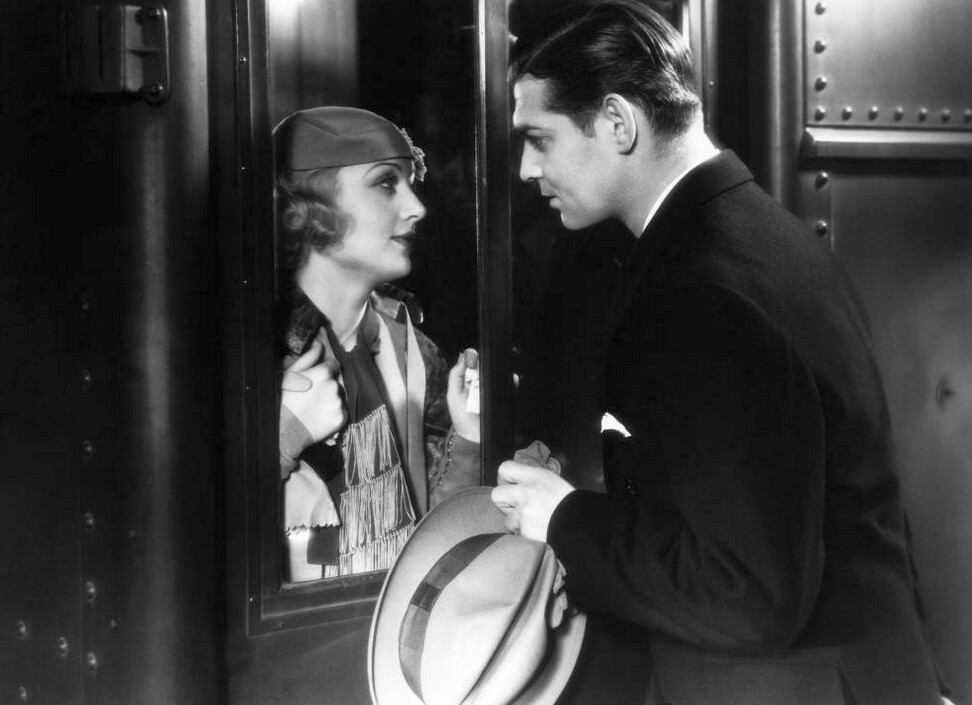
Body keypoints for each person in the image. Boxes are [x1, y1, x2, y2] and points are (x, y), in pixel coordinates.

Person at [491, 3, 950, 704]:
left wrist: (565, 520)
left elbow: (747, 593)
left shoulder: (702, 293)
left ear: (617, 123)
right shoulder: (769, 237)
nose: (527, 169)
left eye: (539, 138)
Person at [274, 106, 481, 582]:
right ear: (308, 204)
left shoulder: (414, 351)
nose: (417, 207)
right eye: (386, 183)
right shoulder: (249, 349)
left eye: (410, 182)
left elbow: (430, 542)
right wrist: (282, 438)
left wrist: (469, 440)